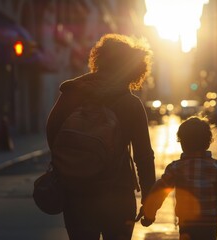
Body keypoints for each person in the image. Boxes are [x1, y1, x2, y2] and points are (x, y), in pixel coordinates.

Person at [46, 33, 156, 240]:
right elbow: (143, 155)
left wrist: (71, 163)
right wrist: (149, 201)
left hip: (76, 194)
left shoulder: (71, 93)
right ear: (134, 68)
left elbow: (52, 132)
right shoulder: (130, 104)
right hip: (118, 193)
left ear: (100, 59)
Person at [139, 116, 217, 240]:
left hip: (186, 224)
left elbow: (159, 192)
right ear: (208, 142)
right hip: (209, 225)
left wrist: (149, 214)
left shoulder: (176, 168)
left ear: (182, 142)